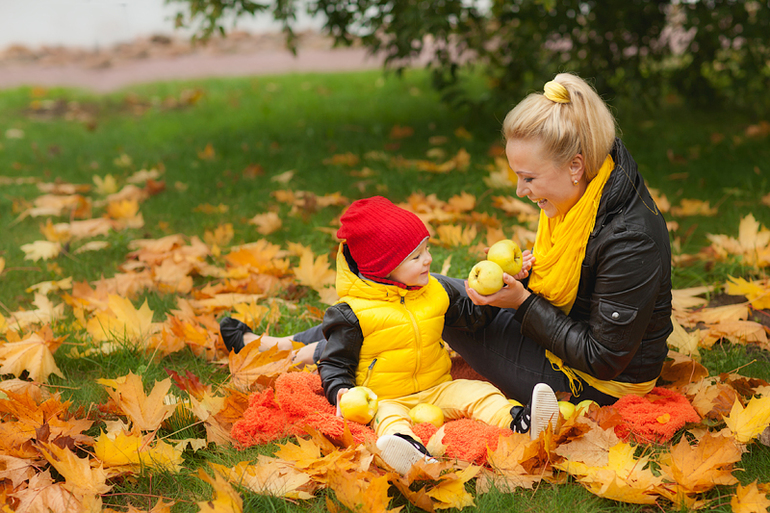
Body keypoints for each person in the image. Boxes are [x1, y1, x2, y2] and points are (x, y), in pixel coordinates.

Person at [225, 70, 672, 425]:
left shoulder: (629, 239)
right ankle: (284, 346)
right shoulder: (582, 196)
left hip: (590, 383)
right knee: (424, 290)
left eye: (529, 178)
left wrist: (521, 302)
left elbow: (605, 358)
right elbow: (576, 289)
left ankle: (296, 351)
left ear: (576, 166)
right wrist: (522, 286)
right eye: (517, 174)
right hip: (558, 339)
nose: (520, 190)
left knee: (424, 302)